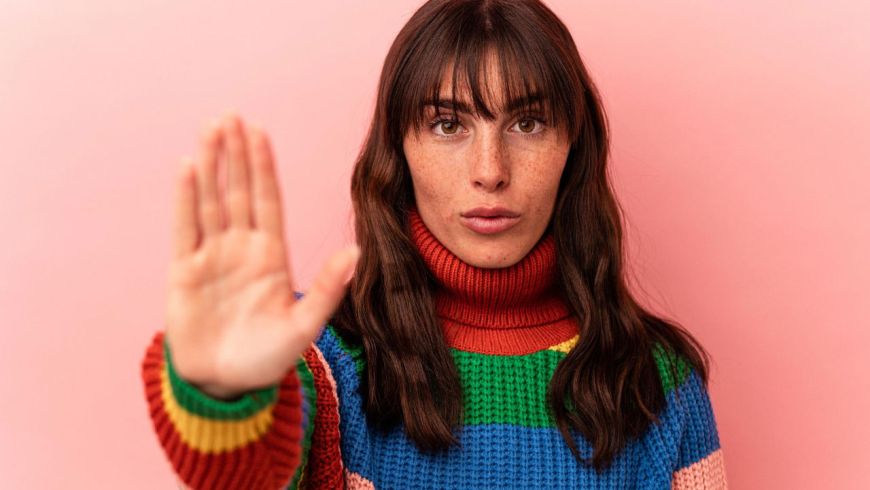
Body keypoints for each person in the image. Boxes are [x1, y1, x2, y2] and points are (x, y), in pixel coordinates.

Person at [140, 0, 728, 488]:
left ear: (573, 146)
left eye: (527, 123)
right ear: (400, 150)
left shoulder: (661, 384)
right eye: (448, 125)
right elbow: (249, 472)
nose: (490, 170)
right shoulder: (323, 358)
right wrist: (225, 397)